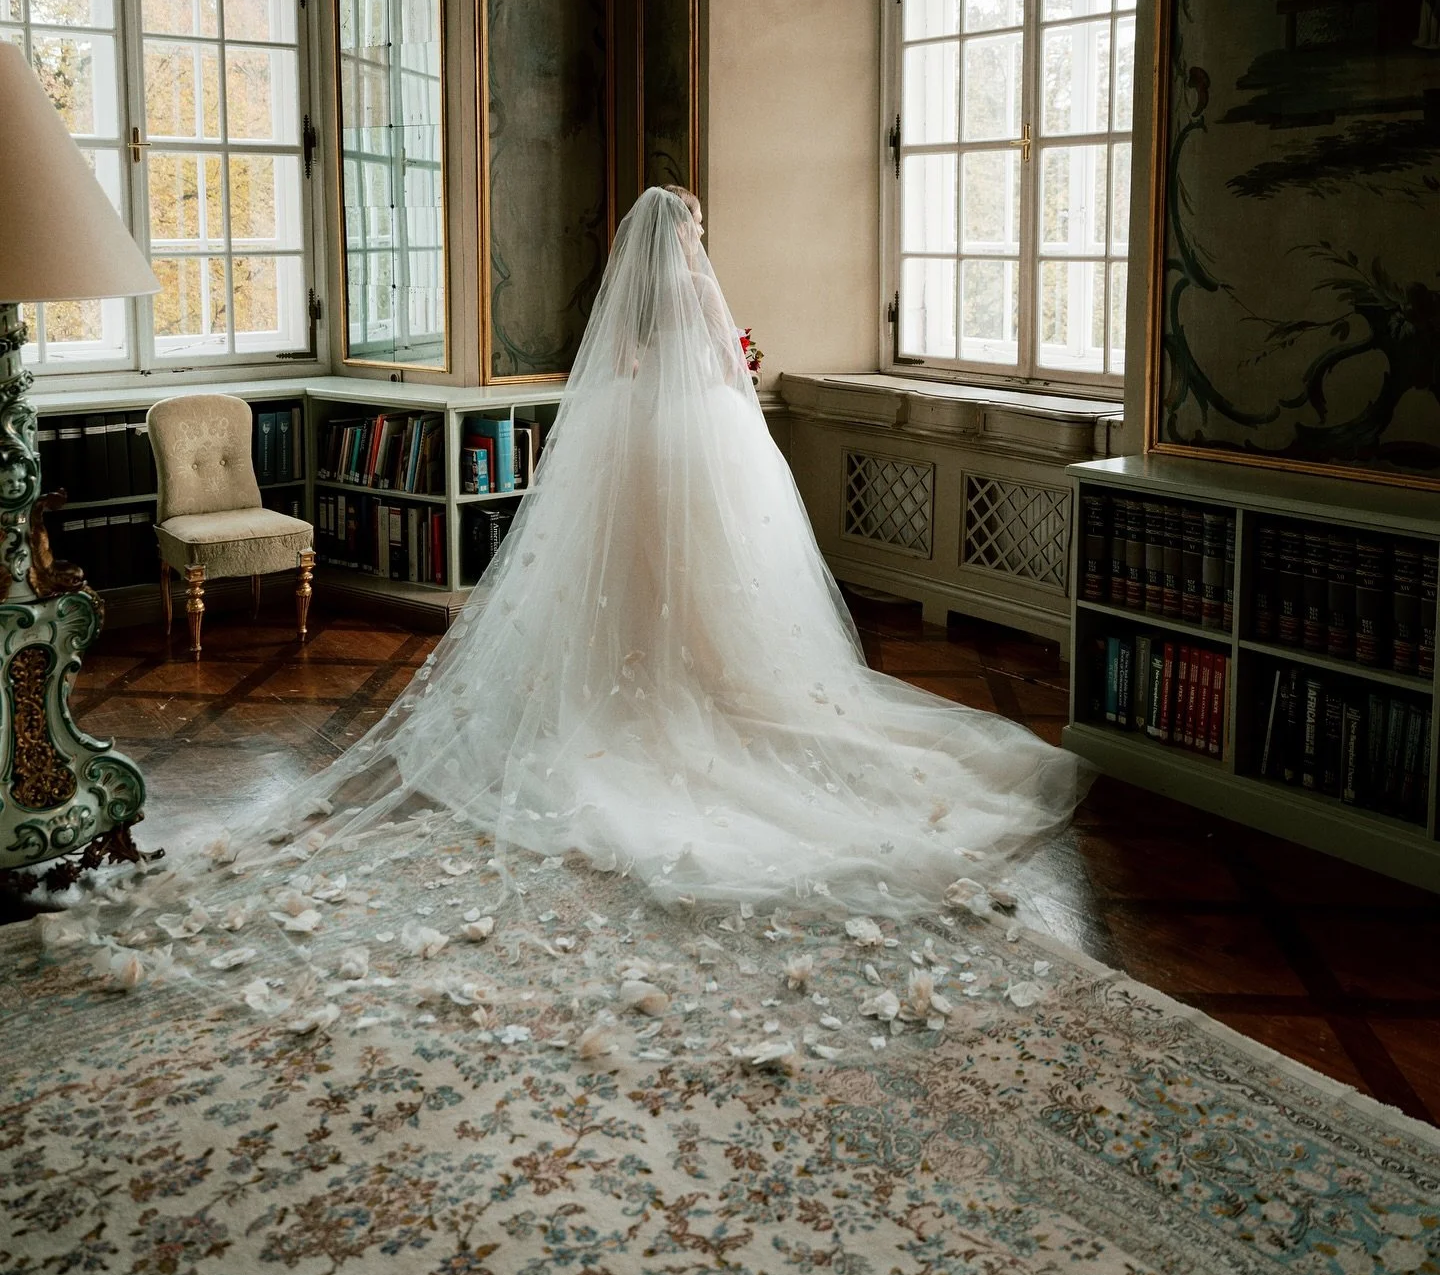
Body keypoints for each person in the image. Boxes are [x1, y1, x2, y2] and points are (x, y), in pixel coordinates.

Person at [266, 184, 1085, 915]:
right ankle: (701, 669)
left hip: (635, 433)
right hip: (697, 438)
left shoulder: (635, 298)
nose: (698, 237)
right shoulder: (693, 283)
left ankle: (635, 677)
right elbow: (730, 372)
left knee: (629, 569)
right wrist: (733, 366)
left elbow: (624, 363)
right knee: (713, 571)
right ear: (684, 233)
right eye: (696, 224)